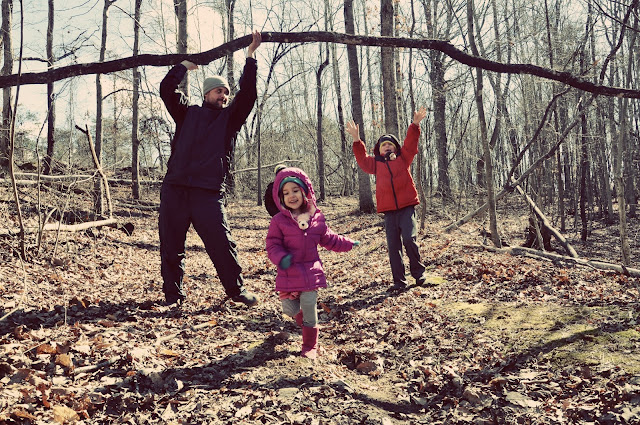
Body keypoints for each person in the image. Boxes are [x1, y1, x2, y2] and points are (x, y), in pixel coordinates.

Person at [158, 31, 262, 307]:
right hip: (176, 189)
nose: (224, 96)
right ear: (206, 93)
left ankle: (236, 291)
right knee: (171, 246)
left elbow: (248, 95)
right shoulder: (187, 113)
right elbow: (166, 90)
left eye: (226, 93)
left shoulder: (230, 119)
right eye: (219, 91)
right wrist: (183, 67)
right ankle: (173, 296)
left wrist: (250, 58)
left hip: (208, 192)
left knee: (221, 243)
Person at [265, 167, 358, 359]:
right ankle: (303, 319)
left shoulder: (317, 218)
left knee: (309, 305)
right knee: (290, 309)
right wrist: (281, 257)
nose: (291, 195)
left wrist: (348, 243)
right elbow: (272, 244)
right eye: (286, 193)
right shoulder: (278, 221)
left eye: (295, 190)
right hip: (289, 274)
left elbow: (330, 238)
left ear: (305, 192)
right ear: (280, 198)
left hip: (310, 273)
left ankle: (310, 346)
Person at [347, 107, 428, 291]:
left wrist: (415, 125)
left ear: (396, 147)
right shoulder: (375, 164)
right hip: (389, 211)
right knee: (393, 247)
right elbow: (362, 159)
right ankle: (399, 282)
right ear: (379, 149)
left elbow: (411, 144)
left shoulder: (403, 158)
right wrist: (356, 140)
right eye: (384, 145)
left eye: (390, 144)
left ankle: (419, 274)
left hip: (407, 207)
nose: (387, 147)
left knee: (409, 239)